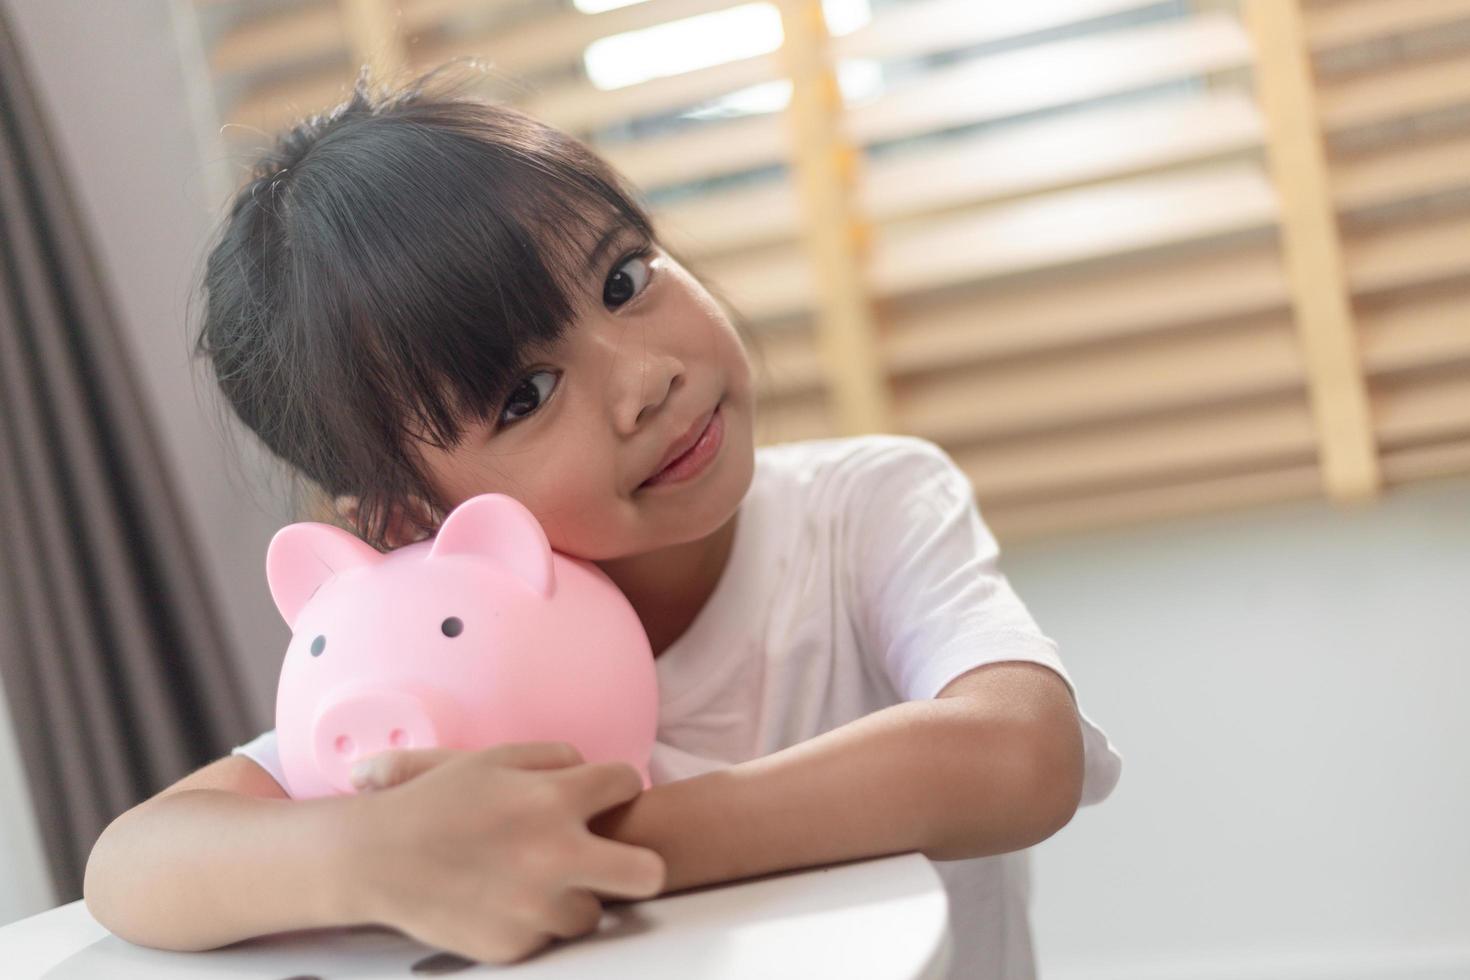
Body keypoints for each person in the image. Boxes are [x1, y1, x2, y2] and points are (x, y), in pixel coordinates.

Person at [82, 61, 1122, 979]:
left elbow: (1020, 755)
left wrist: (586, 840)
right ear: (410, 520)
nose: (646, 377)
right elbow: (130, 861)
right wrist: (370, 852)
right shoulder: (439, 653)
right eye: (526, 394)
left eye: (625, 278)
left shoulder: (865, 507)